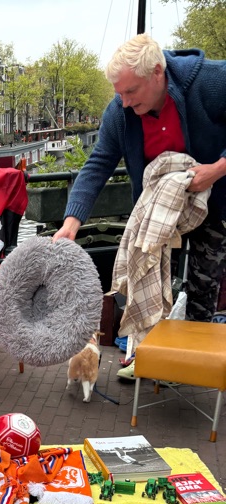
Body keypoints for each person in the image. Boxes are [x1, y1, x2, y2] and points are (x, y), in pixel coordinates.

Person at [53, 33, 226, 323]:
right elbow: (98, 164)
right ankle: (152, 347)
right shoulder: (120, 112)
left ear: (157, 72)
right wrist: (71, 225)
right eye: (119, 93)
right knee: (151, 291)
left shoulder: (211, 80)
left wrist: (217, 169)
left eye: (131, 91)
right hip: (159, 212)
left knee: (204, 294)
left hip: (214, 204)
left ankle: (196, 346)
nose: (124, 102)